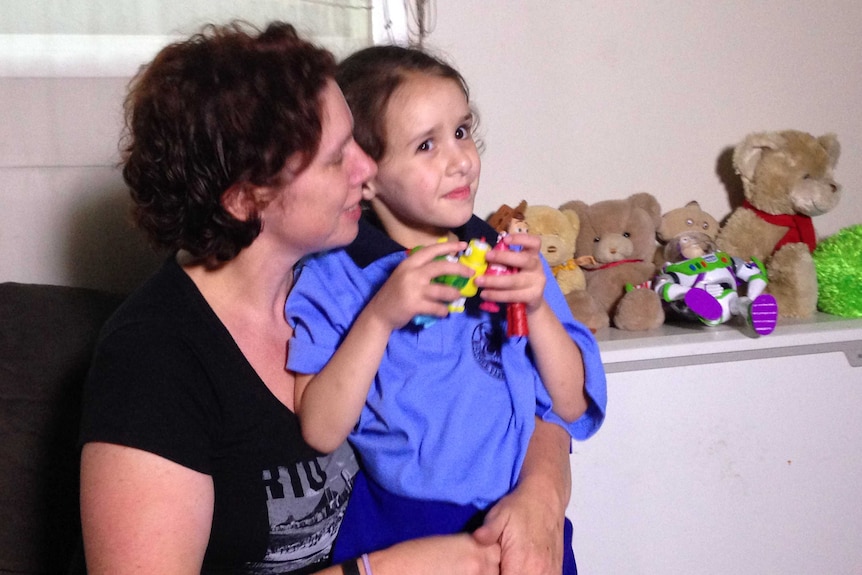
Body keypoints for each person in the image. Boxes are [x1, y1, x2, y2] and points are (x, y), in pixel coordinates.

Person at [78, 21, 579, 575]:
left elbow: (525, 387)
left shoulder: (369, 256)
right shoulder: (152, 361)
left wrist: (540, 495)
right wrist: (385, 570)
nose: (368, 171)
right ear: (247, 198)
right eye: (340, 157)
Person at [286, 45, 607, 574]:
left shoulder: (511, 257)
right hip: (399, 526)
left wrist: (540, 312)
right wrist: (381, 316)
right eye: (426, 144)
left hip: (520, 524)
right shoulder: (334, 277)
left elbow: (571, 405)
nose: (459, 160)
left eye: (461, 131)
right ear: (364, 172)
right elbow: (320, 429)